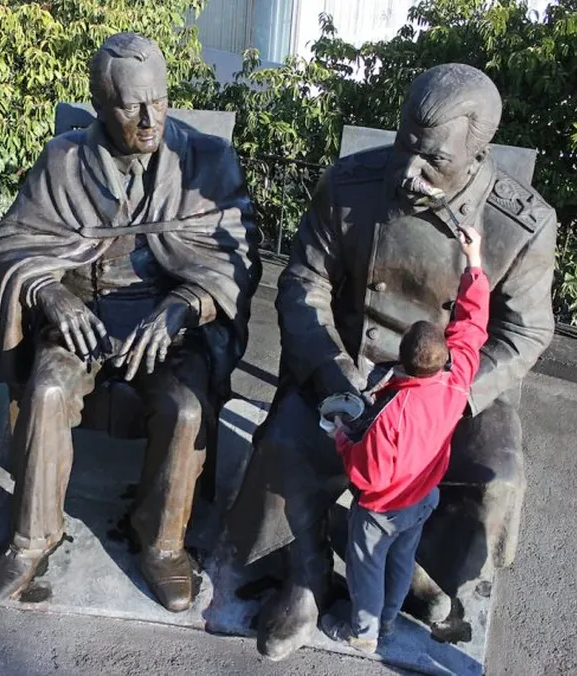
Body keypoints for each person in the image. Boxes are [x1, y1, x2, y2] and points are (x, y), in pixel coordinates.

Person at [226, 63, 557, 661]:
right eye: (405, 144)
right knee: (286, 442)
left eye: (432, 160)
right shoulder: (350, 185)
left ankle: (422, 576)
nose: (408, 171)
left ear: (477, 153)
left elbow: (526, 332)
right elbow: (303, 282)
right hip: (351, 363)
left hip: (456, 385)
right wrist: (330, 371)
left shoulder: (519, 226)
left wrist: (457, 393)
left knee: (497, 472)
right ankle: (304, 575)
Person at [0, 32, 260, 612]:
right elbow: (10, 243)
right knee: (50, 387)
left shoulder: (206, 160)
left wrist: (186, 306)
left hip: (168, 319)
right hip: (81, 313)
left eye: (158, 99)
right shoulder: (63, 161)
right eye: (132, 105)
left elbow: (238, 250)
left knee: (184, 408)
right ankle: (32, 538)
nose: (150, 117)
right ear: (101, 105)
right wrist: (49, 293)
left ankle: (161, 543)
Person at [320, 225, 488, 653]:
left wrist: (342, 436)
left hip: (382, 509)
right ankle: (390, 621)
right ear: (442, 359)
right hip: (422, 498)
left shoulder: (392, 413)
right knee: (400, 561)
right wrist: (474, 261)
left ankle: (363, 633)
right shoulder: (457, 381)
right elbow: (472, 325)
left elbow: (367, 473)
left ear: (403, 358)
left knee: (367, 569)